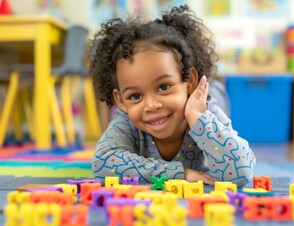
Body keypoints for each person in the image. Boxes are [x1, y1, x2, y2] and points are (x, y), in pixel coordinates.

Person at [90, 5, 256, 187]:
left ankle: (209, 86)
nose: (151, 105)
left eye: (163, 87)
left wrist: (197, 118)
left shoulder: (203, 111)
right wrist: (179, 174)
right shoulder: (127, 120)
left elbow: (240, 172)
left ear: (190, 81)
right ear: (121, 101)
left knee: (213, 90)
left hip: (204, 96)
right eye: (135, 96)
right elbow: (102, 163)